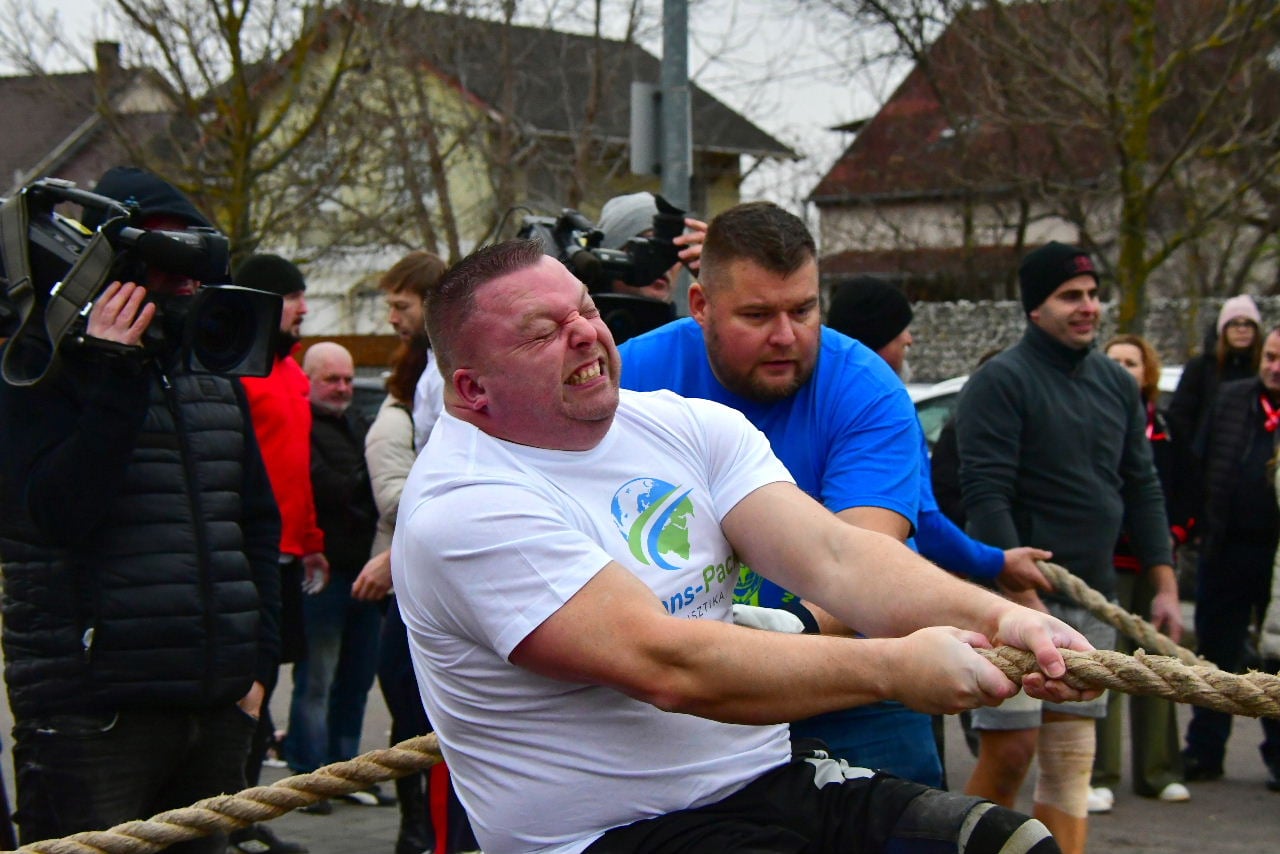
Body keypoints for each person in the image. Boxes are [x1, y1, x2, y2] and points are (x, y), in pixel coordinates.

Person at [392, 238, 1096, 854]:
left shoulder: (685, 424)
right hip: (610, 833)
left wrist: (1001, 619)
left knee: (1011, 843)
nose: (585, 334)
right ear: (473, 389)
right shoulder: (462, 506)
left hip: (765, 782)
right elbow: (668, 665)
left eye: (586, 309)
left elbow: (838, 557)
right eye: (543, 331)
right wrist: (894, 667)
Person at [0, 166, 281, 852]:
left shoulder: (211, 370)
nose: (184, 281)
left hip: (216, 709)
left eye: (193, 262)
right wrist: (115, 375)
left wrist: (257, 672)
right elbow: (56, 515)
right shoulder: (36, 365)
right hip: (93, 719)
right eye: (163, 259)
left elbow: (254, 522)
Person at [620, 202, 937, 785]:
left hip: (854, 676)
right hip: (688, 684)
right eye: (758, 315)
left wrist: (784, 633)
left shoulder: (867, 389)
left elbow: (864, 561)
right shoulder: (633, 378)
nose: (786, 336)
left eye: (803, 310)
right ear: (700, 305)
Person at [955, 241, 1180, 854]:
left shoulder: (1116, 384)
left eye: (1093, 294)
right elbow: (985, 493)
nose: (1088, 307)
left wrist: (1164, 583)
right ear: (1035, 308)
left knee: (1072, 760)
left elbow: (1142, 485)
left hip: (1092, 595)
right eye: (1069, 296)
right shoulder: (1000, 381)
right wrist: (1020, 599)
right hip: (1014, 601)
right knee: (1011, 752)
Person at [355, 250, 480, 854]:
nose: (391, 318)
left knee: (427, 709)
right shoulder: (428, 371)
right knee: (405, 699)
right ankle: (421, 829)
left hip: (441, 562)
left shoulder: (449, 372)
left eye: (401, 305)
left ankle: (435, 835)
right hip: (423, 558)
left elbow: (452, 479)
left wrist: (397, 553)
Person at [825, 276, 1052, 594]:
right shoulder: (887, 411)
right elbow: (923, 522)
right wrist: (997, 562)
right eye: (900, 329)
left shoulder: (819, 401)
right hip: (873, 595)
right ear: (877, 337)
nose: (909, 339)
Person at [234, 253, 329, 854]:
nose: (305, 308)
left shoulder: (293, 372)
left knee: (268, 678)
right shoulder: (238, 371)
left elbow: (299, 469)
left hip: (290, 553)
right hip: (248, 552)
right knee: (247, 684)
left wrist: (313, 543)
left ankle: (240, 815)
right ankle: (228, 815)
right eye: (294, 297)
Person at [1087, 335, 1191, 809]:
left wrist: (1170, 540)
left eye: (1131, 363)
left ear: (1146, 373)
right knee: (1106, 667)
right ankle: (1100, 773)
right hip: (1104, 566)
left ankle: (1158, 769)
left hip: (1150, 566)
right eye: (1114, 362)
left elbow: (1184, 489)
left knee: (1159, 669)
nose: (1122, 370)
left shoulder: (1167, 430)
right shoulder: (1087, 422)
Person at [282, 342, 387, 810]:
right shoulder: (301, 427)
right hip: (323, 572)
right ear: (309, 381)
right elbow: (331, 488)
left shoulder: (358, 424)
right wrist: (367, 483)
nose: (343, 388)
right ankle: (308, 776)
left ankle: (346, 771)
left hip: (363, 572)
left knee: (357, 679)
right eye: (332, 380)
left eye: (347, 379)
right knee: (317, 679)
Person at [1180, 324, 1280, 788]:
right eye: (1271, 358)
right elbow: (1199, 462)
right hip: (1227, 546)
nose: (1275, 368)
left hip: (1276, 558)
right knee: (1216, 652)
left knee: (1276, 657)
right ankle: (1205, 750)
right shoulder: (1233, 398)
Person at [596, 190, 706, 302]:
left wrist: (714, 284)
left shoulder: (704, 312)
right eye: (648, 244)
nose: (661, 259)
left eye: (671, 249)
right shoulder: (585, 311)